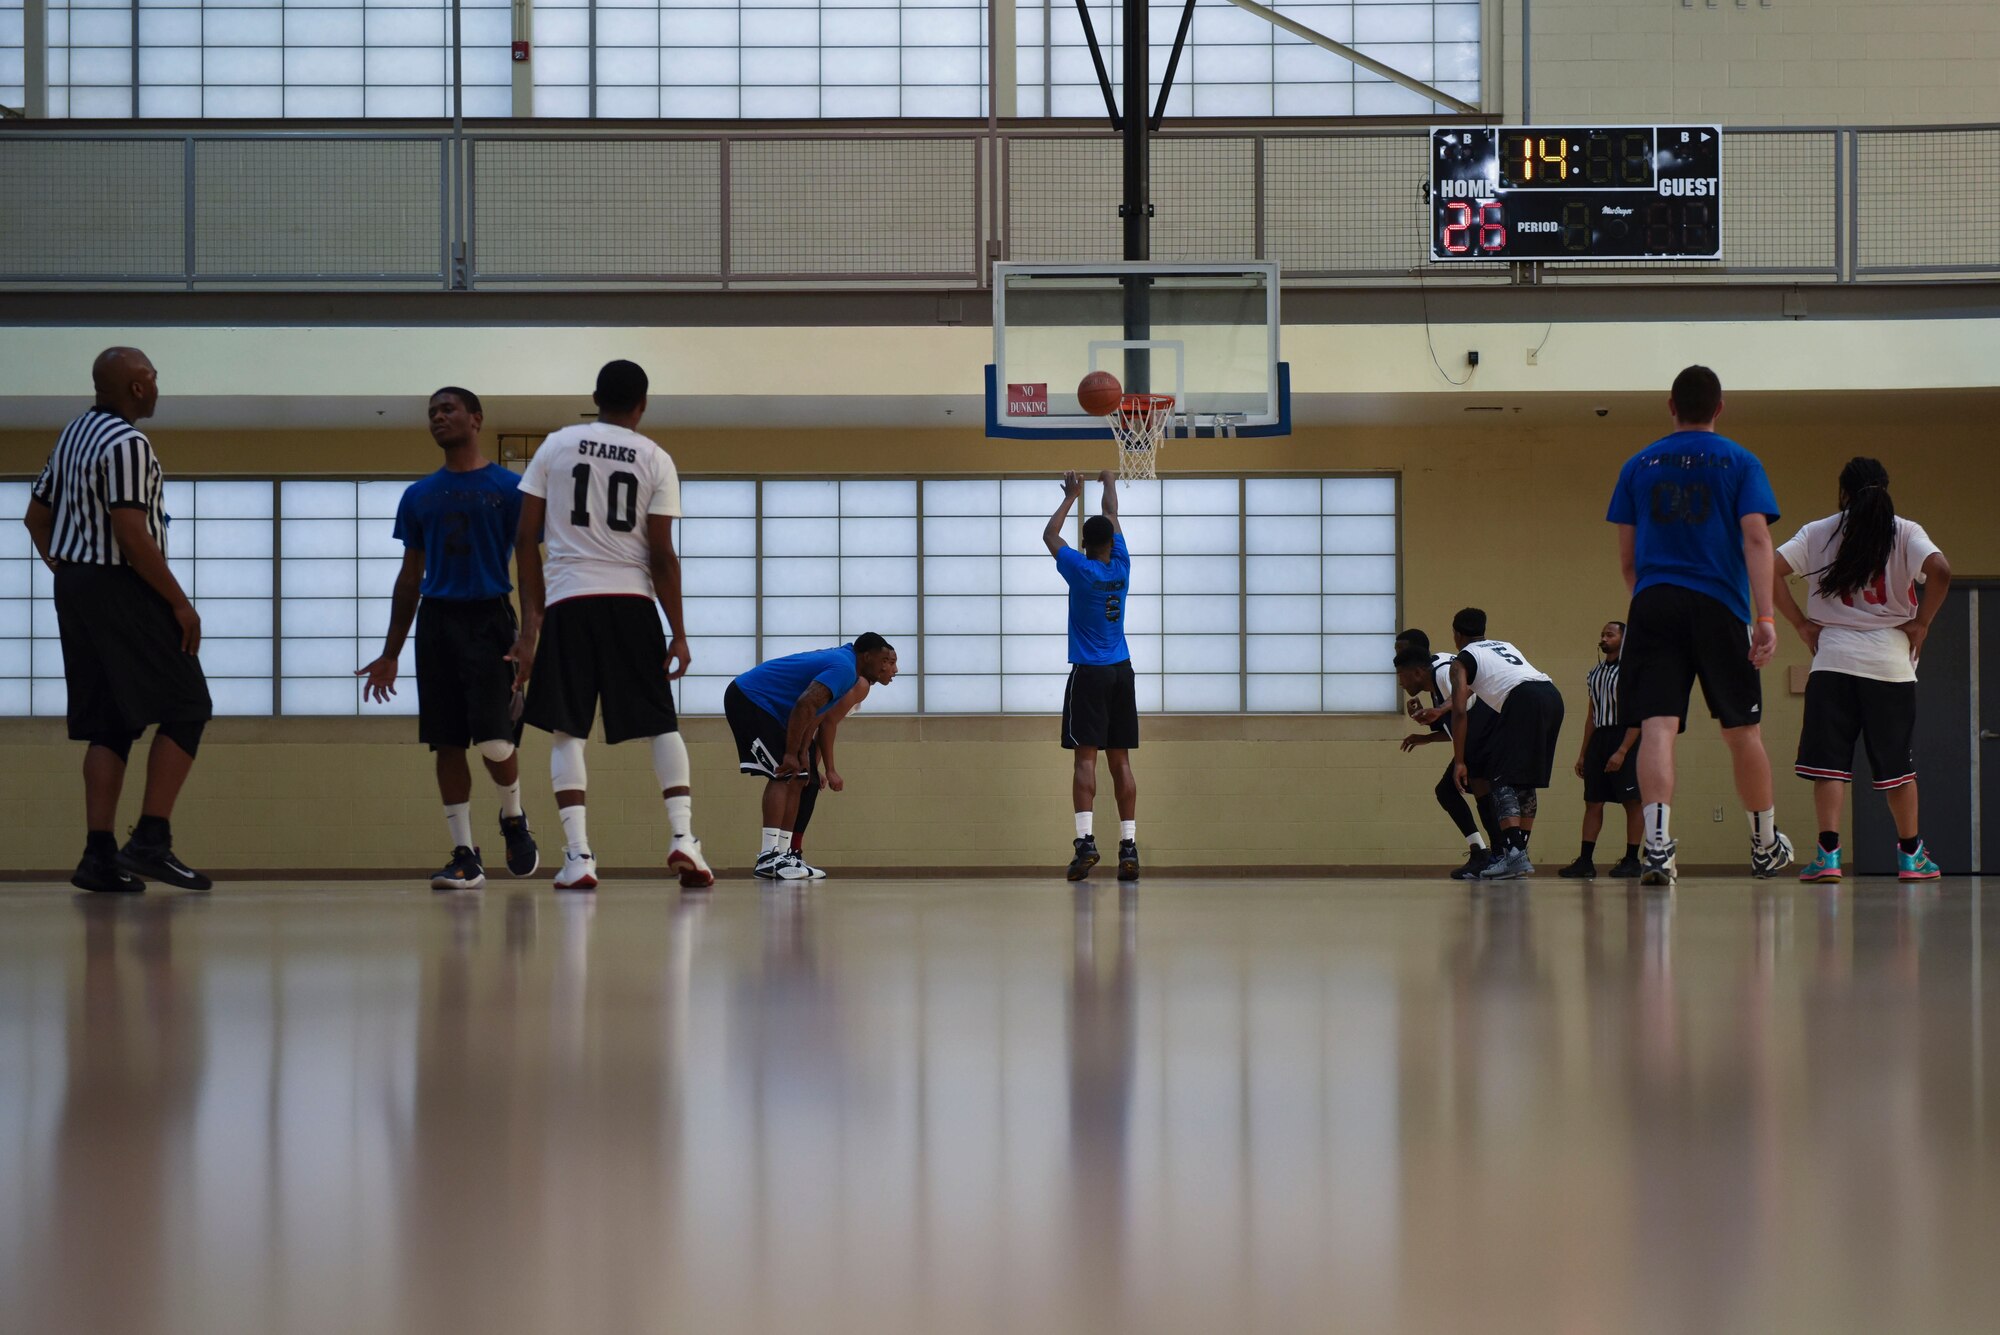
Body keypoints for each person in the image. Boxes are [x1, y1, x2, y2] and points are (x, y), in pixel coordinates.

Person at [508, 359, 712, 892]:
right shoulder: (655, 457)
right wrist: (681, 632)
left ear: (595, 396)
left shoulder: (555, 445)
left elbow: (525, 536)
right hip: (631, 603)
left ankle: (578, 857)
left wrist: (532, 621)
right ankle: (683, 838)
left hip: (570, 604)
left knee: (566, 731)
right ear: (642, 405)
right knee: (661, 724)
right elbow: (663, 554)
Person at [23, 348, 212, 893]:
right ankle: (151, 840)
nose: (156, 386)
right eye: (152, 377)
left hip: (76, 588)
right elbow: (131, 533)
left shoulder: (74, 433)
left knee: (110, 723)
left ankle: (98, 857)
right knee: (188, 705)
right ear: (135, 388)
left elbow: (35, 518)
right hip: (121, 586)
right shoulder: (128, 443)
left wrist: (64, 563)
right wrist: (179, 602)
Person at [1607, 365, 1794, 885]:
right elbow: (1757, 540)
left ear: (1670, 405)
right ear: (1720, 407)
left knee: (1657, 728)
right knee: (1742, 731)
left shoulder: (1637, 465)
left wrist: (1650, 604)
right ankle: (1763, 845)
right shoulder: (1741, 461)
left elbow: (1627, 560)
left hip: (1653, 603)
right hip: (1720, 606)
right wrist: (1764, 617)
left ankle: (1659, 848)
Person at [357, 388, 538, 891]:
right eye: (432, 412)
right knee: (447, 743)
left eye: (448, 409)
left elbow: (528, 569)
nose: (438, 417)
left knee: (498, 742)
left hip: (490, 621)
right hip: (437, 624)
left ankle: (513, 817)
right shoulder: (418, 495)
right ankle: (465, 855)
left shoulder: (511, 488)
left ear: (475, 419)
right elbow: (410, 576)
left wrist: (529, 637)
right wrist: (390, 652)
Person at [1775, 457, 1950, 882]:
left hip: (1833, 658)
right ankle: (1911, 857)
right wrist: (1922, 622)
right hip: (1890, 662)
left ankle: (1828, 857)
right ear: (1885, 488)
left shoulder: (1819, 531)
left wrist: (1800, 623)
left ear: (1843, 493)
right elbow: (1941, 571)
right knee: (1897, 768)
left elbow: (1765, 571)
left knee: (1829, 765)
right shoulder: (1906, 531)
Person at [724, 636, 900, 880]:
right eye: (885, 661)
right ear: (867, 656)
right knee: (784, 773)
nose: (893, 669)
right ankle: (767, 857)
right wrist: (790, 753)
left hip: (775, 710)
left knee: (800, 776)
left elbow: (816, 714)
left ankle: (784, 855)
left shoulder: (849, 671)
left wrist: (803, 751)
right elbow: (806, 704)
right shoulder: (844, 668)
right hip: (750, 698)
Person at [1046, 469, 1139, 883]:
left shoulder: (1080, 571)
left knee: (1086, 758)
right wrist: (1108, 483)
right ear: (1111, 543)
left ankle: (1085, 842)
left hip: (1090, 673)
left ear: (1084, 545)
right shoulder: (1121, 566)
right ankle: (1129, 848)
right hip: (1122, 672)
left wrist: (1070, 496)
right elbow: (1111, 514)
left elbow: (1050, 536)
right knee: (1120, 761)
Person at [1447, 608, 1565, 881]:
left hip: (1521, 700)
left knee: (1500, 777)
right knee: (1524, 781)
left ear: (1456, 634)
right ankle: (1519, 853)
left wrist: (1460, 760)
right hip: (1551, 696)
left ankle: (1512, 854)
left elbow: (1461, 710)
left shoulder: (1461, 661)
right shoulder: (1503, 646)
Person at [1394, 626, 1499, 879]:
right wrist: (1427, 736)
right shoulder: (1437, 670)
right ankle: (1484, 851)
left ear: (1416, 660)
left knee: (1480, 790)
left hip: (1487, 737)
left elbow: (1467, 701)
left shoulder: (1443, 672)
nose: (1397, 663)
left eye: (1400, 654)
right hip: (1476, 738)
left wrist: (1440, 712)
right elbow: (1453, 726)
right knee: (1449, 791)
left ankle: (1498, 854)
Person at [1558, 621, 1644, 880]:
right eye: (1603, 634)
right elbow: (1591, 716)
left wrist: (1622, 750)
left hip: (1626, 735)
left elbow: (1638, 716)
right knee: (1593, 801)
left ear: (1624, 639)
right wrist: (1584, 753)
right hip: (1600, 738)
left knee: (1632, 801)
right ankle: (1585, 861)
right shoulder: (1594, 673)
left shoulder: (1632, 671)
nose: (1604, 638)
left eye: (1610, 634)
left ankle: (1631, 859)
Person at [786, 676, 873, 880]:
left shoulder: (857, 690)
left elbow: (820, 730)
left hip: (807, 734)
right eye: (888, 662)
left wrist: (814, 767)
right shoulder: (859, 684)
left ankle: (792, 852)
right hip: (794, 727)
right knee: (797, 786)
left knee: (810, 784)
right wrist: (830, 769)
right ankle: (786, 853)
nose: (894, 670)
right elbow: (826, 724)